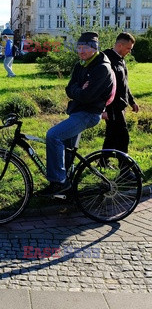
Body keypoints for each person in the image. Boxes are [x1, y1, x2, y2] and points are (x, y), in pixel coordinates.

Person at [38, 32, 115, 196]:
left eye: (84, 48)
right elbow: (69, 89)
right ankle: (68, 183)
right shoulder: (81, 64)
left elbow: (87, 97)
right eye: (78, 47)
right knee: (66, 147)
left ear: (94, 49)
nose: (80, 51)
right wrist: (79, 89)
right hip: (78, 112)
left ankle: (58, 182)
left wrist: (78, 91)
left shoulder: (102, 68)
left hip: (89, 114)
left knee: (53, 136)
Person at [102, 33, 139, 156]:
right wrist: (104, 109)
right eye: (128, 48)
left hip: (120, 105)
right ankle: (125, 169)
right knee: (123, 136)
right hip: (111, 107)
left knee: (111, 134)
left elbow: (124, 84)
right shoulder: (106, 60)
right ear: (119, 45)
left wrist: (132, 101)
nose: (129, 51)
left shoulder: (120, 60)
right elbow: (102, 87)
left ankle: (103, 162)